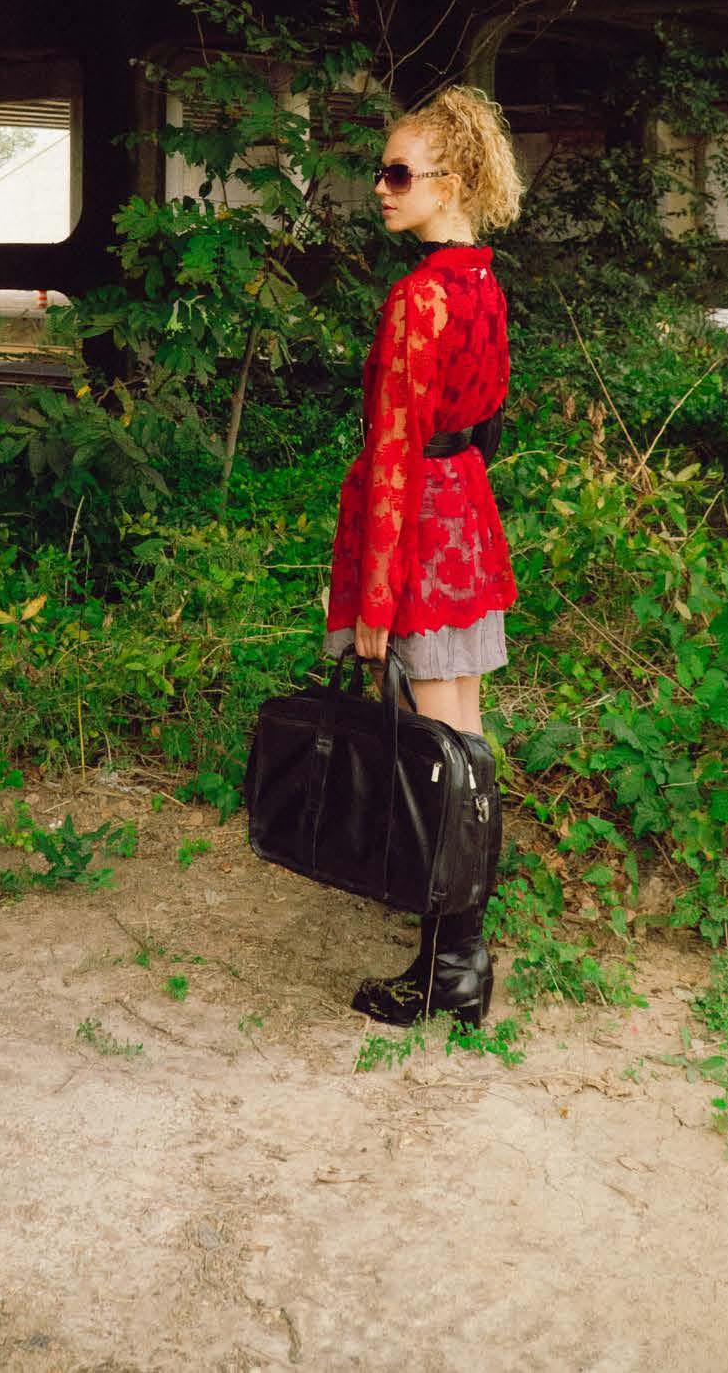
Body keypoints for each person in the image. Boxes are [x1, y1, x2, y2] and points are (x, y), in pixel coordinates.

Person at [325, 84, 524, 1027]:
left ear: (451, 184)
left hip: (423, 534)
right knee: (464, 747)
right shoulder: (481, 280)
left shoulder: (419, 297)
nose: (381, 187)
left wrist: (376, 599)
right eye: (382, 172)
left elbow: (398, 448)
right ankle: (459, 960)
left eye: (398, 174)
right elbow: (485, 422)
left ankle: (452, 971)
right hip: (465, 518)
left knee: (442, 757)